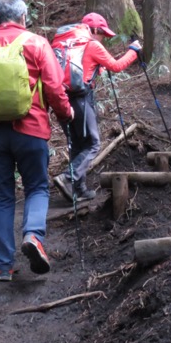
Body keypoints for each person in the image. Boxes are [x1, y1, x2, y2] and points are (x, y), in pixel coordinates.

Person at [0, 0, 74, 281]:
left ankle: (3, 267)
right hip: (31, 130)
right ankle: (33, 237)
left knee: (2, 198)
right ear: (23, 17)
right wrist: (66, 114)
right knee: (36, 188)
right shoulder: (36, 44)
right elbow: (55, 87)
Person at [51, 13, 142, 202]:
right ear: (93, 30)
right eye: (102, 34)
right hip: (81, 99)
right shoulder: (92, 45)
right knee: (93, 144)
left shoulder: (62, 43)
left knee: (77, 144)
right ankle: (67, 177)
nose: (103, 38)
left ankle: (79, 189)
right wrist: (133, 51)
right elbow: (116, 66)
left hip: (60, 98)